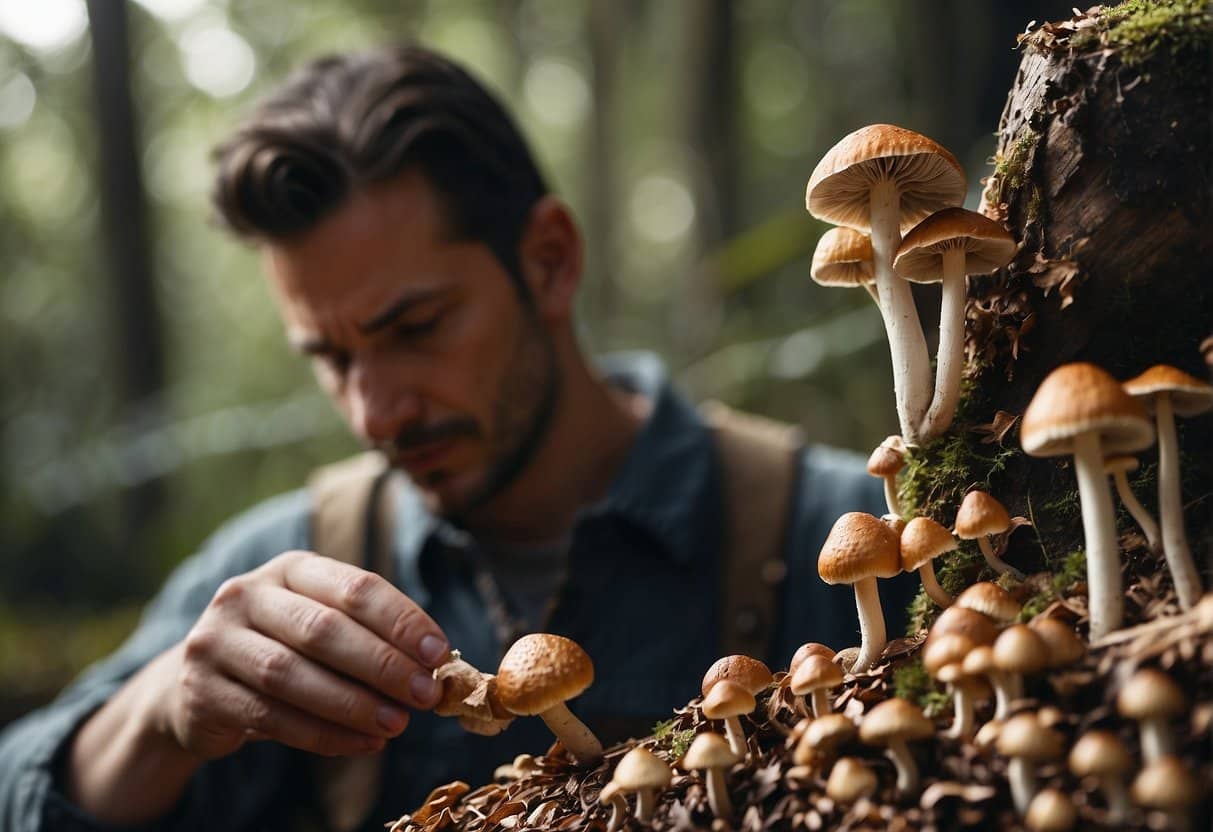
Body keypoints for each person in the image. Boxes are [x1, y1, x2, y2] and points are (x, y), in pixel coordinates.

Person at [0, 44, 915, 831]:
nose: (373, 413)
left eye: (415, 328)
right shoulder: (286, 568)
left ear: (549, 260)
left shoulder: (836, 526)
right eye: (329, 356)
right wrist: (157, 715)